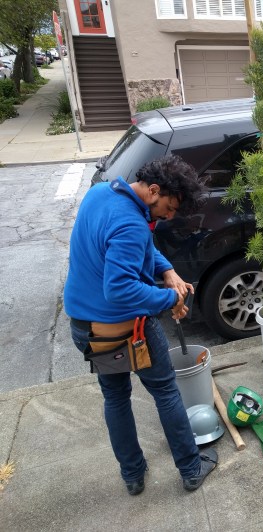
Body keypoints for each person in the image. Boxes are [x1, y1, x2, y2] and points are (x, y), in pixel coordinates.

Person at [64, 155, 217, 495]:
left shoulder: (101, 194)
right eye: (170, 207)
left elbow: (137, 248)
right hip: (122, 329)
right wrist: (170, 299)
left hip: (85, 327)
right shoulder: (132, 223)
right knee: (164, 391)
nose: (170, 215)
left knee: (115, 397)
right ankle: (191, 469)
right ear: (152, 190)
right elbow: (119, 288)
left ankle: (132, 476)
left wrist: (167, 271)